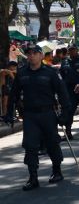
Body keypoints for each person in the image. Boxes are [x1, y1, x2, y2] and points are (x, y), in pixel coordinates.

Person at [3, 45, 71, 190]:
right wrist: (9, 113)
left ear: (41, 56)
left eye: (34, 53)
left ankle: (57, 171)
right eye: (29, 54)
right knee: (30, 146)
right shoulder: (22, 73)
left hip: (48, 114)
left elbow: (62, 92)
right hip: (30, 115)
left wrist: (66, 113)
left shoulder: (51, 72)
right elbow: (14, 94)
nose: (31, 56)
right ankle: (33, 178)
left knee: (52, 142)